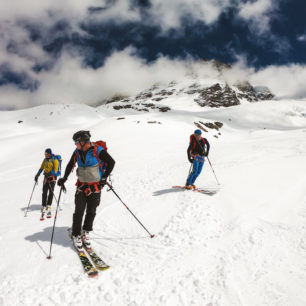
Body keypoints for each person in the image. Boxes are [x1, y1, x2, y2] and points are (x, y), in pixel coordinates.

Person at [57, 130, 115, 250]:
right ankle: (77, 234)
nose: (75, 144)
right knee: (79, 211)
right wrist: (64, 178)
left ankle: (86, 231)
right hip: (82, 186)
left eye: (76, 142)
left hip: (95, 187)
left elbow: (111, 162)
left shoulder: (97, 150)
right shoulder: (77, 152)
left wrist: (104, 178)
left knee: (91, 211)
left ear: (83, 141)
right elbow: (70, 164)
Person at [35, 148, 59, 216]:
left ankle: (49, 205)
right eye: (45, 154)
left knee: (51, 191)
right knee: (44, 191)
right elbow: (41, 168)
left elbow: (56, 169)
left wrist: (50, 173)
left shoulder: (54, 160)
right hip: (46, 177)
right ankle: (43, 205)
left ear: (50, 153)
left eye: (46, 154)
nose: (45, 155)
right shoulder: (45, 160)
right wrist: (37, 175)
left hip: (52, 177)